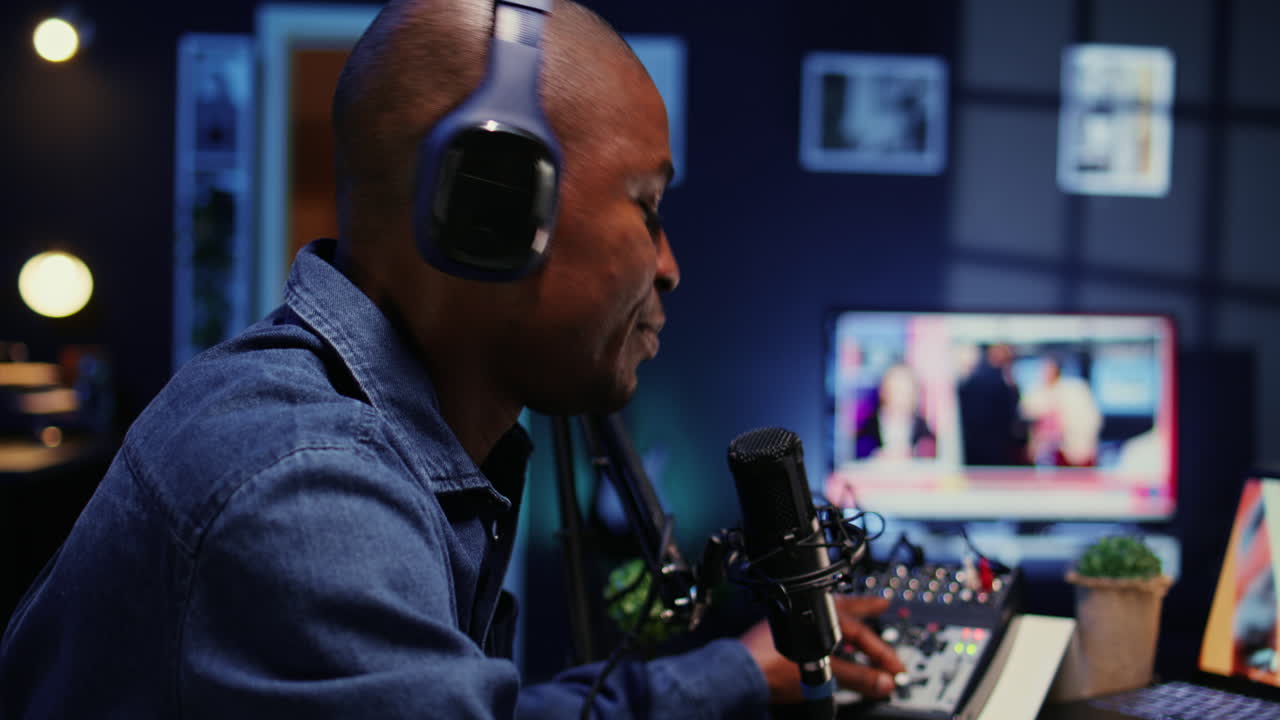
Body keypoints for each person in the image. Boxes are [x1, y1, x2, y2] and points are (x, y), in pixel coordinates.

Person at [0, 0, 903, 717]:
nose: (670, 268)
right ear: (494, 209)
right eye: (648, 205)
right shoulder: (309, 491)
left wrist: (739, 678)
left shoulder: (348, 439)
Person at [854, 363, 935, 461]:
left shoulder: (923, 428)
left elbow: (931, 456)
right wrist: (876, 454)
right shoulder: (869, 426)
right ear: (884, 391)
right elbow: (858, 453)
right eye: (896, 389)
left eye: (905, 391)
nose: (900, 397)